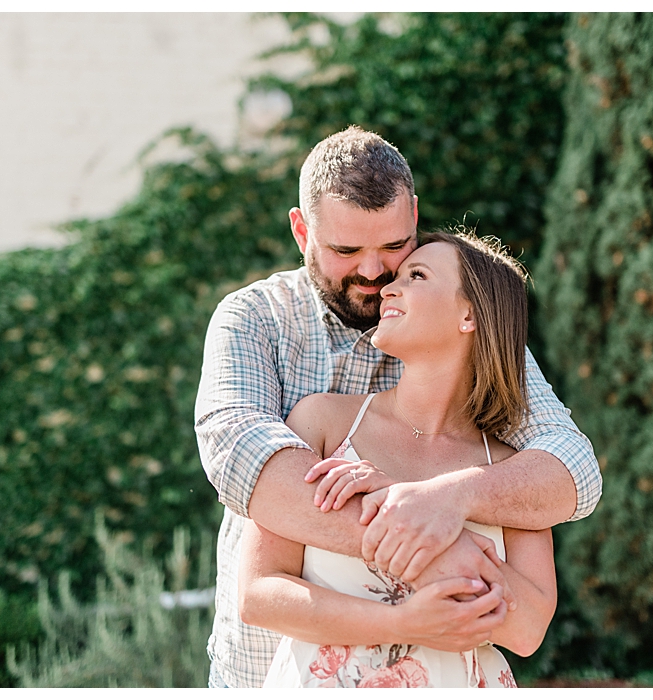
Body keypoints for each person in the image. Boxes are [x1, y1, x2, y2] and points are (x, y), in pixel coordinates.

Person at [194, 127, 601, 688]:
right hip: (264, 671)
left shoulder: (476, 349)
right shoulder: (255, 321)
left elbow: (572, 470)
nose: (373, 274)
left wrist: (452, 496)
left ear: (413, 215)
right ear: (301, 230)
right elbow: (244, 463)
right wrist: (434, 542)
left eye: (394, 249)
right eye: (345, 250)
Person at [243, 231, 556, 687]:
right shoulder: (325, 423)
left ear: (468, 315)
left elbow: (527, 631)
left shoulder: (512, 472)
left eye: (417, 275)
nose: (388, 286)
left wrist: (404, 502)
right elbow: (259, 595)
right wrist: (402, 623)